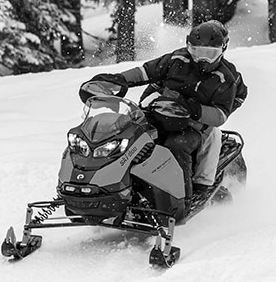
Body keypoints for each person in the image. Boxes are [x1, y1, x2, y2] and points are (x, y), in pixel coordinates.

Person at [91, 20, 247, 199]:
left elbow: (219, 115)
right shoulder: (177, 59)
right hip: (162, 113)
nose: (201, 59)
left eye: (209, 54)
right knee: (129, 134)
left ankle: (182, 199)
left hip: (193, 123)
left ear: (222, 50)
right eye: (196, 51)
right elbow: (145, 72)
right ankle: (108, 184)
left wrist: (191, 109)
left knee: (176, 146)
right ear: (189, 46)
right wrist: (118, 79)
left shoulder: (225, 78)